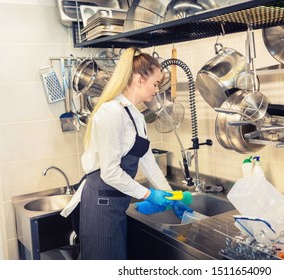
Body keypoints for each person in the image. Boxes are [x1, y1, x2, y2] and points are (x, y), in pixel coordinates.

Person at [61, 48, 192, 260]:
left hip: (116, 204)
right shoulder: (111, 112)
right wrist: (149, 195)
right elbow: (110, 173)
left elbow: (149, 162)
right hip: (100, 205)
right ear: (140, 80)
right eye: (155, 84)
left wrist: (169, 196)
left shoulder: (136, 116)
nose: (157, 90)